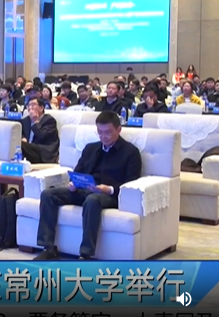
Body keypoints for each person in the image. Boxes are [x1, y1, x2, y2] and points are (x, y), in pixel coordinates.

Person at [34, 111, 142, 260]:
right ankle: (48, 247)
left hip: (108, 195)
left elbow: (131, 183)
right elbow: (78, 171)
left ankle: (85, 254)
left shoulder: (131, 152)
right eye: (100, 132)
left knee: (92, 200)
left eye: (108, 132)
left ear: (119, 130)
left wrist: (109, 189)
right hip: (84, 190)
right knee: (48, 194)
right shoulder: (91, 148)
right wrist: (73, 183)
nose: (103, 136)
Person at [20, 98, 59, 164]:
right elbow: (20, 132)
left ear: (41, 108)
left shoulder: (49, 120)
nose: (30, 107)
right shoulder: (26, 120)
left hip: (43, 152)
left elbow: (41, 136)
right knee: (16, 143)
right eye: (28, 105)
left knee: (20, 145)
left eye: (33, 105)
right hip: (29, 149)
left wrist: (35, 121)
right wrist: (22, 137)